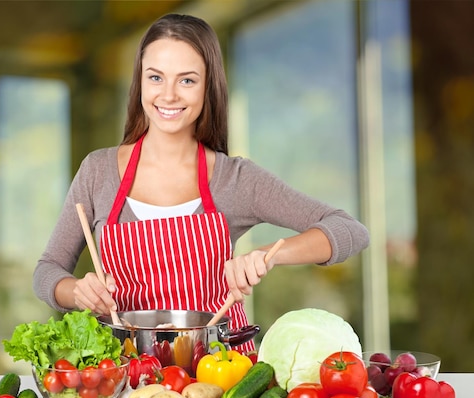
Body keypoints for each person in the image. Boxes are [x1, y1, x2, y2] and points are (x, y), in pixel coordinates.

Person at [33, 13, 369, 352]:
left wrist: (268, 256)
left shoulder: (235, 179)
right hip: (126, 380)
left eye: (187, 80)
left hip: (221, 378)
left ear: (209, 86)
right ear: (140, 82)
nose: (168, 95)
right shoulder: (98, 171)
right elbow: (48, 270)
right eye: (155, 78)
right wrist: (75, 291)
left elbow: (350, 230)